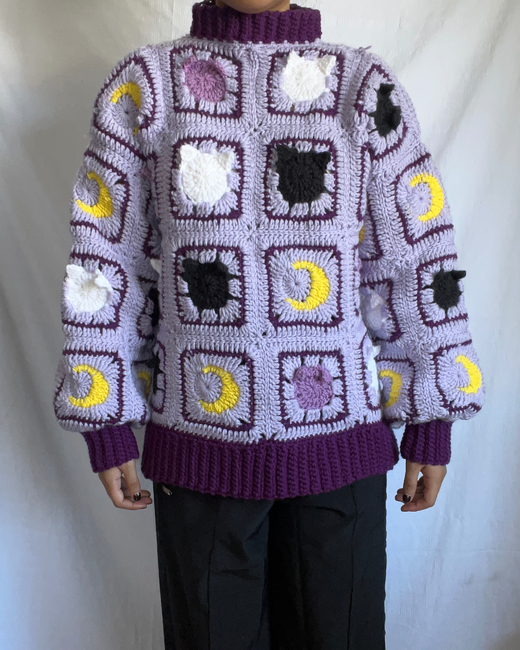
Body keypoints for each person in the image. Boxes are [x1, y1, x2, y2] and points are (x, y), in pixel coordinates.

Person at [52, 0, 485, 647]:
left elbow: (413, 259)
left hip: (340, 454)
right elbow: (105, 260)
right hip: (200, 458)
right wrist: (103, 419)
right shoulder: (146, 88)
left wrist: (433, 415)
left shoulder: (361, 90)